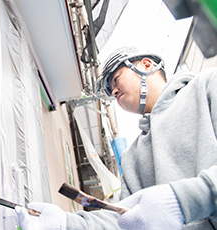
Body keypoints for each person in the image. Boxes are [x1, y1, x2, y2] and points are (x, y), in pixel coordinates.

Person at [15, 46, 217, 229]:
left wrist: (184, 201)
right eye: (111, 91)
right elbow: (120, 221)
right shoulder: (133, 157)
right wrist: (66, 224)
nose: (114, 91)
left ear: (146, 65)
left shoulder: (206, 86)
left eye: (116, 79)